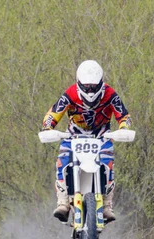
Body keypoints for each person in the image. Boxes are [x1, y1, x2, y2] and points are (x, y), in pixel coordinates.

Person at [42, 60, 132, 223]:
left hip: (102, 136)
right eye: (87, 87)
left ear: (101, 83)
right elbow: (53, 113)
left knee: (108, 164)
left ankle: (106, 205)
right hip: (73, 137)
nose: (90, 91)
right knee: (62, 161)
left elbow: (123, 115)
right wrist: (48, 127)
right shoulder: (70, 93)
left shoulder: (110, 94)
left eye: (93, 87)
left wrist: (124, 128)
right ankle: (63, 203)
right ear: (79, 83)